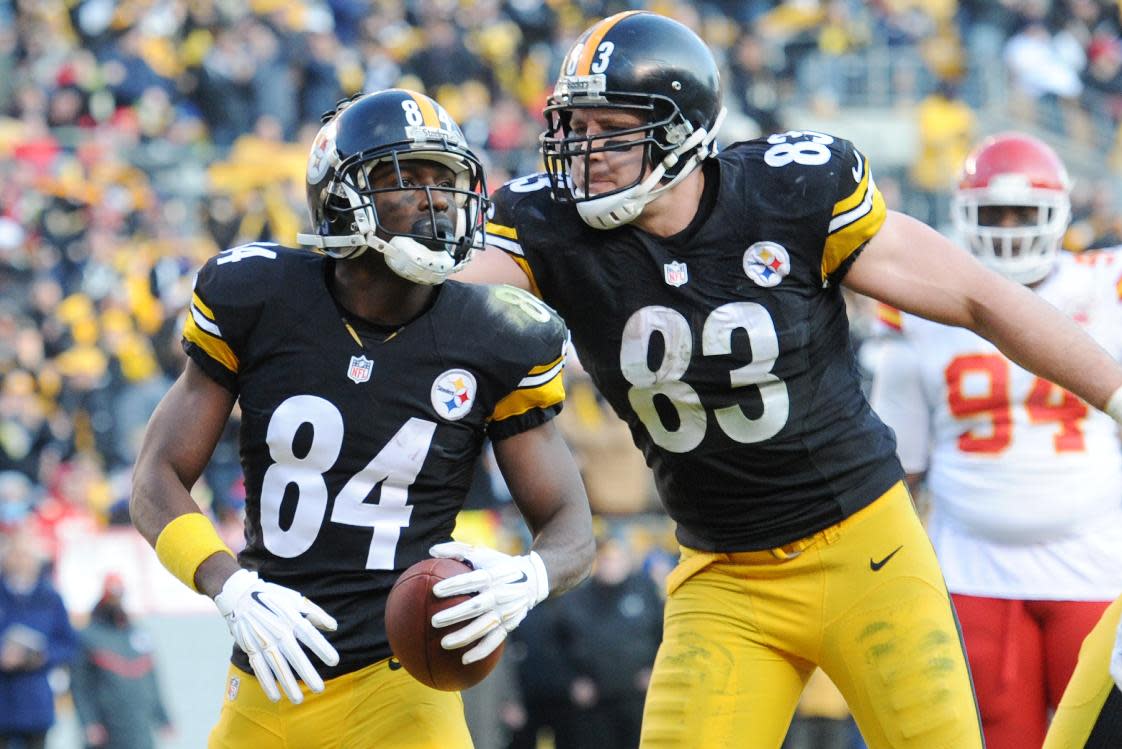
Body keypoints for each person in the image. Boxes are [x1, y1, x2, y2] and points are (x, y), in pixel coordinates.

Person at [455, 10, 1122, 748]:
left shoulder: (787, 194)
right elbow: (439, 310)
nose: (585, 152)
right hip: (722, 573)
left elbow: (980, 296)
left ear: (681, 133)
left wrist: (1118, 394)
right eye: (574, 129)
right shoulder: (545, 226)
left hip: (867, 550)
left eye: (609, 128)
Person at [129, 88, 595, 749]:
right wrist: (226, 582)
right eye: (407, 180)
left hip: (404, 676)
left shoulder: (497, 334)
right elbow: (156, 476)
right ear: (341, 193)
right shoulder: (260, 296)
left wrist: (530, 575)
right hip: (273, 666)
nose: (435, 200)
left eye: (446, 180)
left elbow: (570, 524)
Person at [870, 132, 1122, 749]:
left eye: (1024, 214)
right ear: (964, 215)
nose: (1009, 228)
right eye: (993, 214)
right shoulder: (921, 302)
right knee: (996, 737)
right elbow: (902, 458)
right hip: (971, 560)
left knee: (1094, 736)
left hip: (1095, 558)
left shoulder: (1105, 284)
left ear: (1058, 214)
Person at [70, 573, 173, 749]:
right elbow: (80, 685)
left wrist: (162, 716)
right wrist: (89, 722)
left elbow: (152, 679)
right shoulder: (87, 637)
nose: (115, 601)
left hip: (139, 725)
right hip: (106, 727)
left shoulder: (138, 635)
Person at [0, 530, 77, 749]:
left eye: (26, 555)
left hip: (36, 700)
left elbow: (68, 643)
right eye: (15, 554)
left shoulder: (51, 598)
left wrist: (43, 656)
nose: (20, 561)